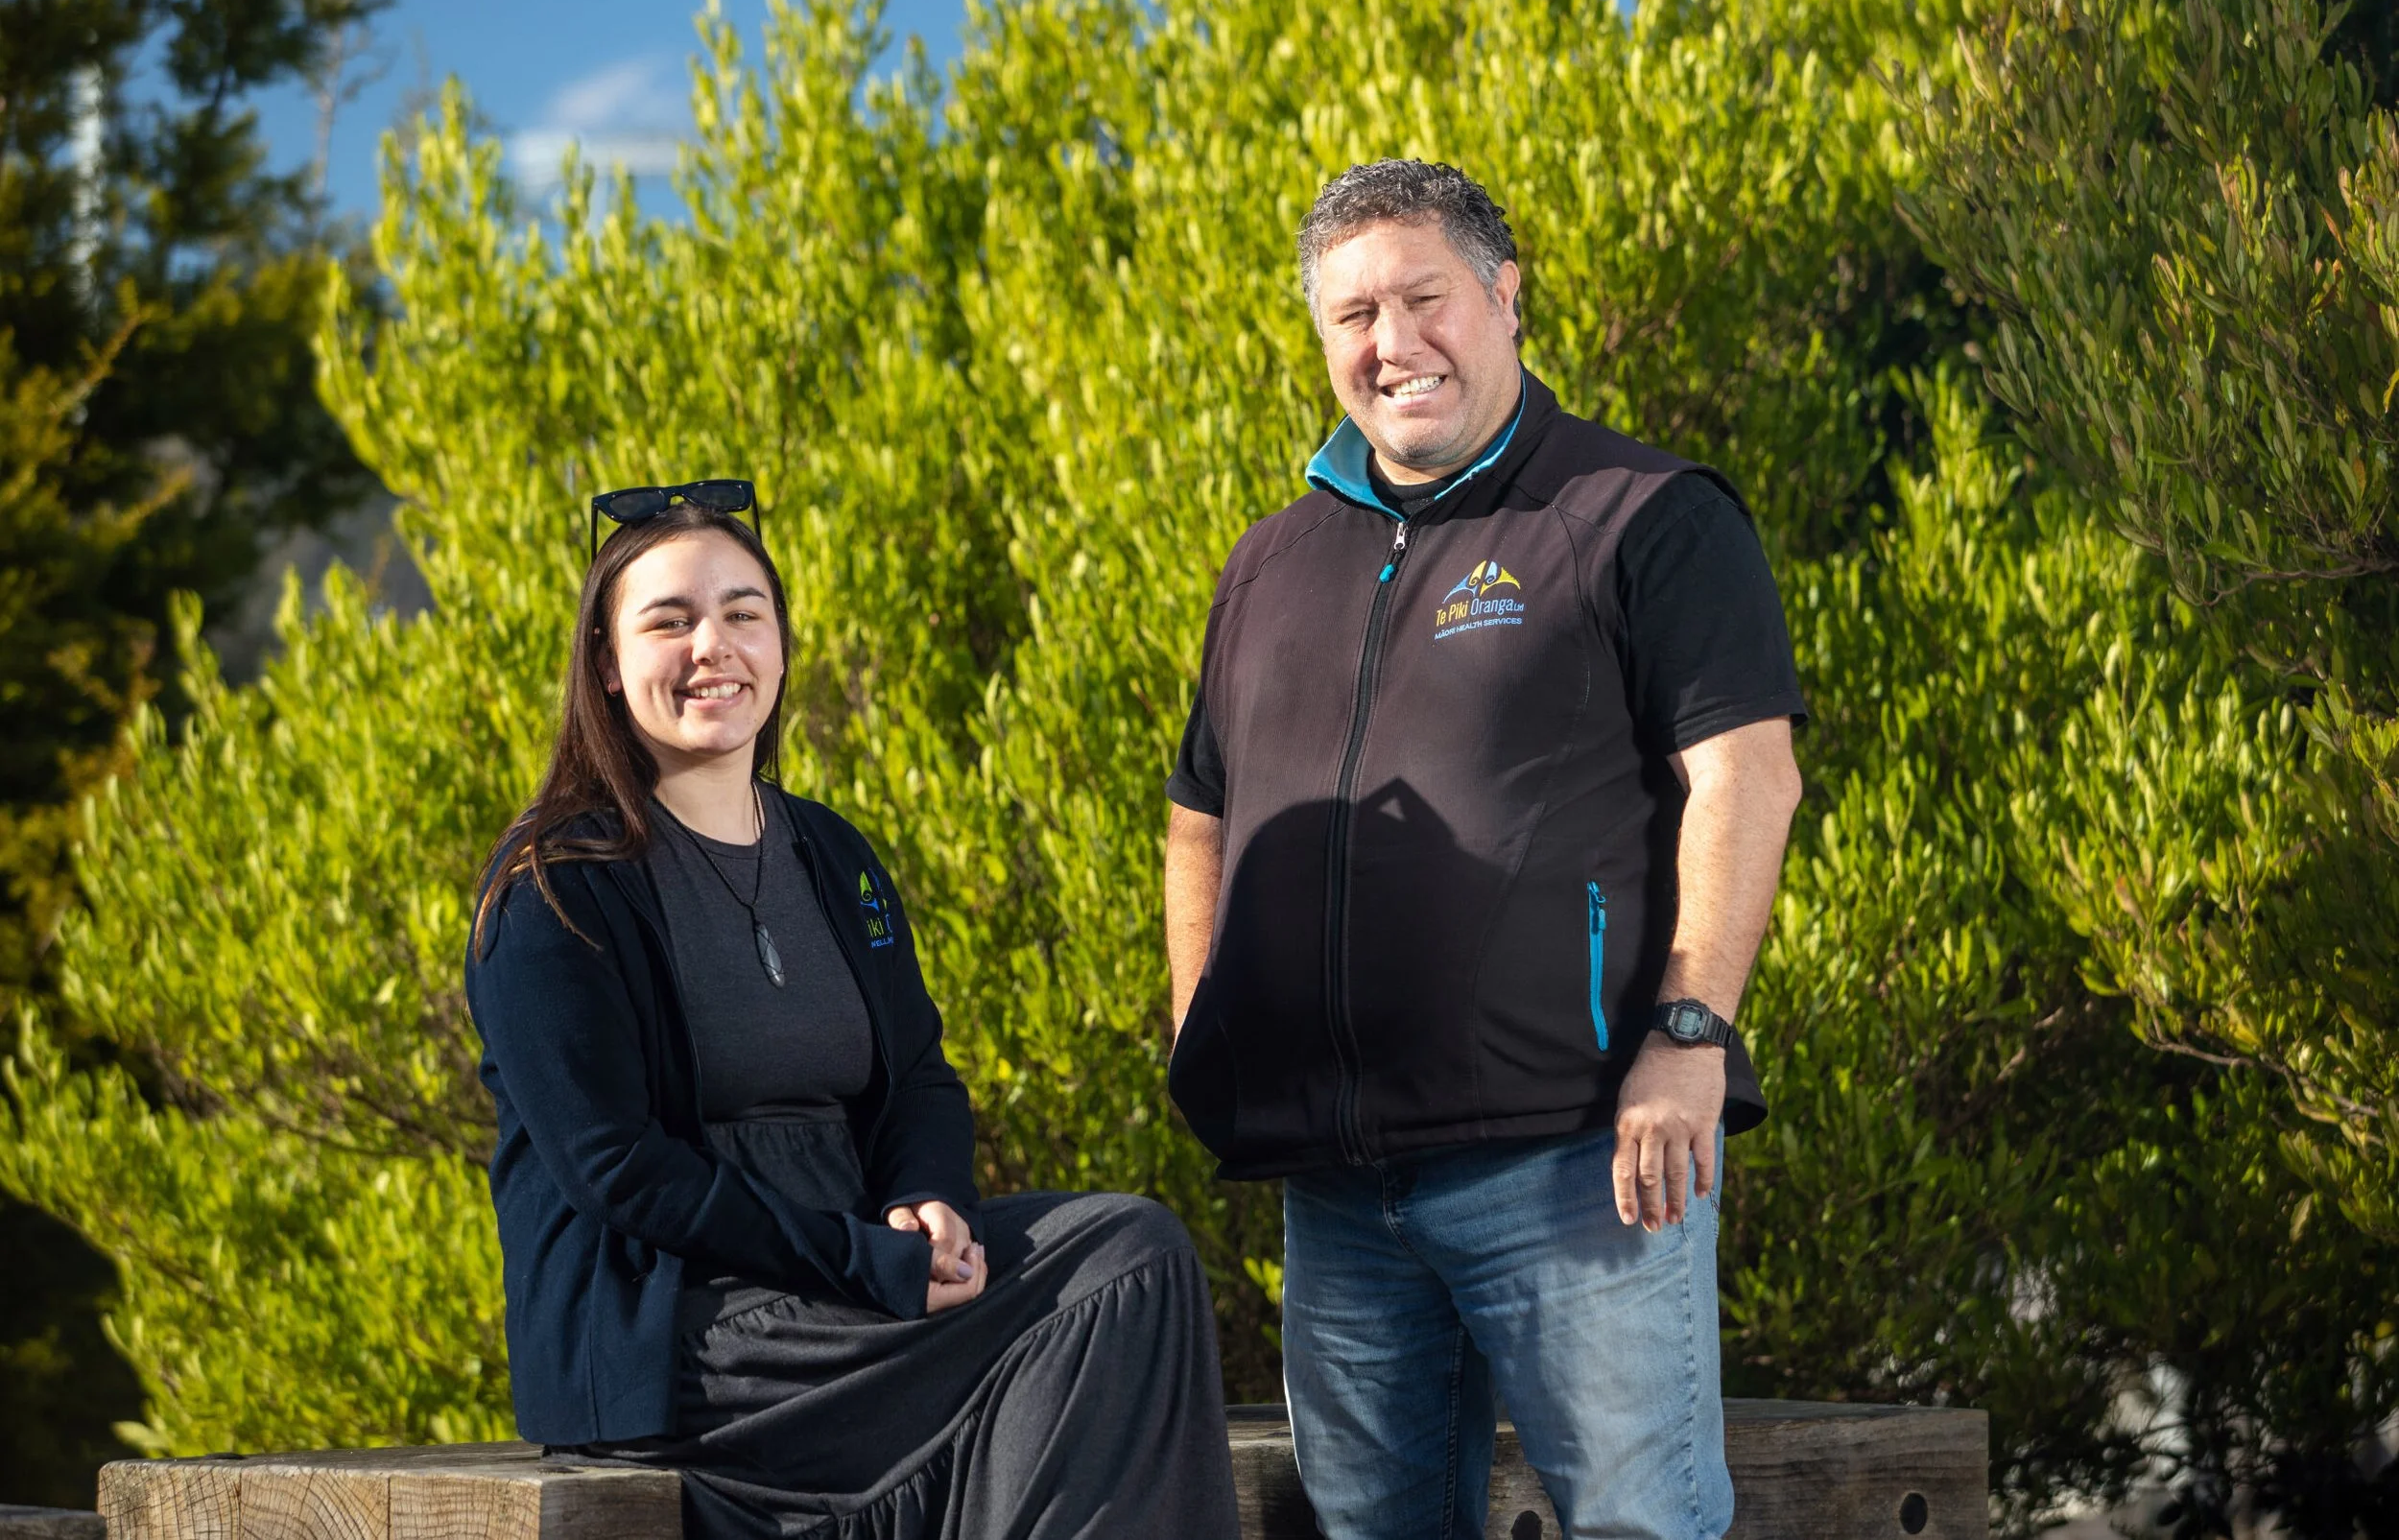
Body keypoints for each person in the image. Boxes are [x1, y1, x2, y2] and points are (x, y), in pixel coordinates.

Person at [1162, 160, 1808, 1540]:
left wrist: (1691, 1028)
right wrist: (1199, 1025)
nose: (1391, 344)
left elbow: (1749, 777)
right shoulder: (1271, 562)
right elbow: (1199, 812)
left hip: (1579, 1165)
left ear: (1504, 297)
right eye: (1352, 314)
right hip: (1339, 1191)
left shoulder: (1643, 512)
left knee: (1644, 1524)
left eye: (1422, 297)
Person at [466, 485, 1240, 1540]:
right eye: (668, 620)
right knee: (1107, 1279)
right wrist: (863, 1260)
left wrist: (926, 1204)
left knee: (1131, 1253)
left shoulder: (831, 856)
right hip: (690, 1341)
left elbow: (917, 1075)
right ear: (606, 662)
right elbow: (616, 1168)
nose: (714, 646)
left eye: (744, 613)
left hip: (856, 1292)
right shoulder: (555, 887)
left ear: (781, 644)